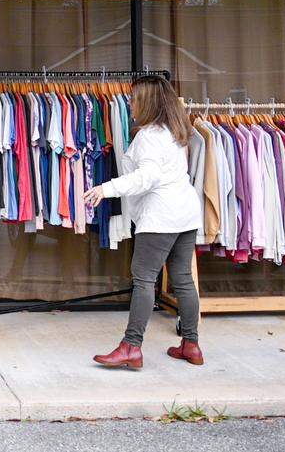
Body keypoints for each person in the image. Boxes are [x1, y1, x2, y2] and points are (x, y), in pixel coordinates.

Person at [84, 75, 203, 370]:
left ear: (147, 102)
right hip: (186, 212)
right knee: (183, 279)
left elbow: (147, 177)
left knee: (144, 279)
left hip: (160, 215)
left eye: (134, 98)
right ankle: (191, 344)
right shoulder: (175, 131)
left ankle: (131, 347)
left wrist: (106, 189)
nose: (130, 103)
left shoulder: (148, 136)